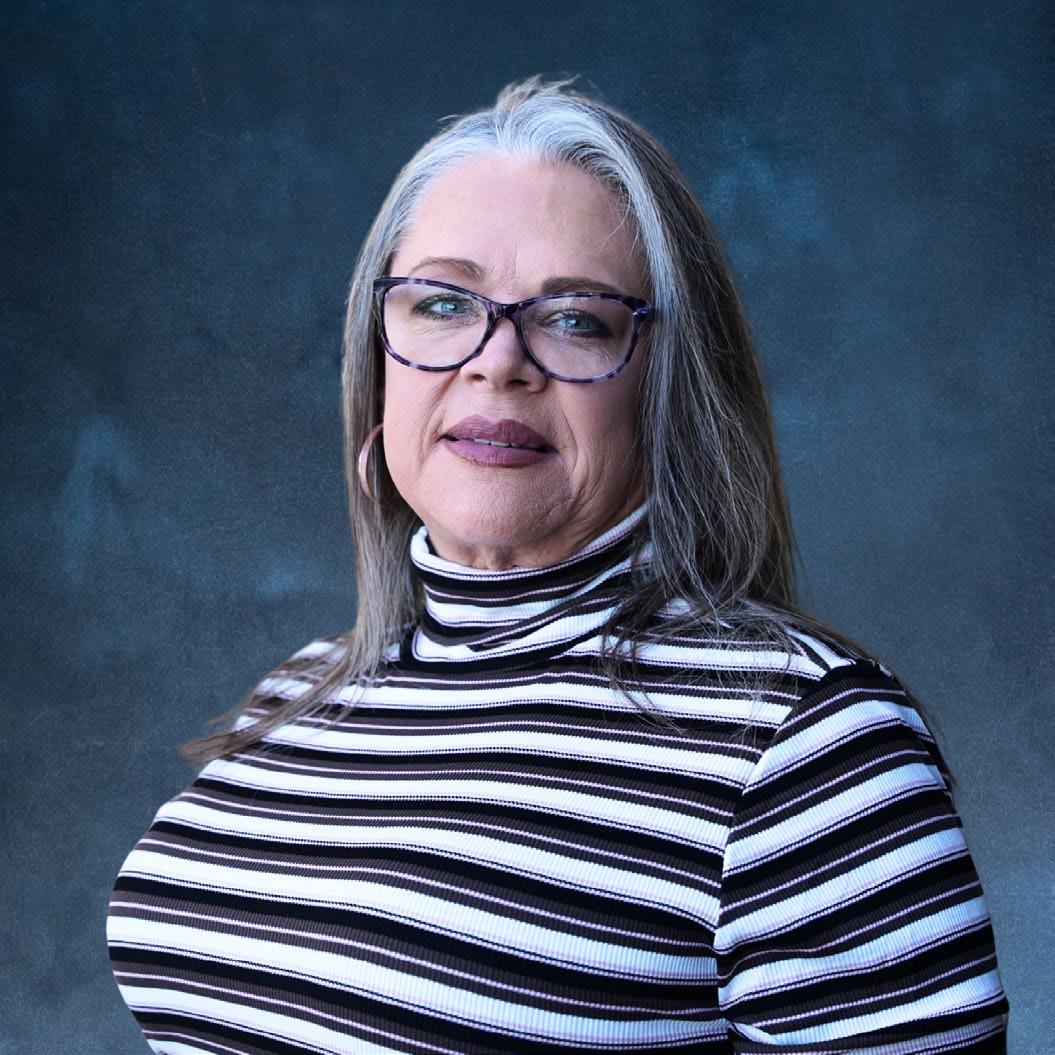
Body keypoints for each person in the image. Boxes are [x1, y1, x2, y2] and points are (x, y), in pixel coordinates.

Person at [107, 74, 1009, 1054]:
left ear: (669, 384)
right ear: (376, 358)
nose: (497, 361)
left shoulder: (804, 742)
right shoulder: (300, 692)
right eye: (441, 302)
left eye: (576, 318)